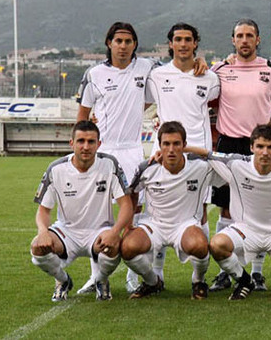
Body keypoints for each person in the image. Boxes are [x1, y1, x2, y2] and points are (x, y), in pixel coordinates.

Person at [75, 21, 208, 294]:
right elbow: (82, 116)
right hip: (104, 150)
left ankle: (139, 276)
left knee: (136, 216)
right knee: (99, 215)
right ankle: (97, 275)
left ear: (135, 44)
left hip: (133, 150)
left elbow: (179, 67)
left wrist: (201, 60)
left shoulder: (147, 68)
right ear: (109, 43)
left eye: (128, 41)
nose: (123, 46)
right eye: (118, 41)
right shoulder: (94, 74)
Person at [186, 123, 271, 301]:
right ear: (251, 147)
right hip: (246, 231)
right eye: (260, 146)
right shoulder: (235, 164)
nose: (265, 152)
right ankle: (244, 281)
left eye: (270, 147)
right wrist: (181, 148)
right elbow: (207, 154)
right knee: (217, 244)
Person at [209, 19, 271, 292]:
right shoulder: (219, 69)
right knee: (227, 207)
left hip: (261, 146)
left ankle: (256, 273)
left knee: (259, 208)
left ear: (258, 39)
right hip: (229, 145)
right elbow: (203, 101)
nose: (244, 40)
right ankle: (225, 271)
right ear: (233, 40)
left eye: (249, 35)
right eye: (239, 35)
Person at [146, 23, 220, 280]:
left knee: (200, 211)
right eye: (178, 39)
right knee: (158, 211)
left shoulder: (210, 77)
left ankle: (200, 277)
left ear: (195, 43)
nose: (183, 44)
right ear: (170, 44)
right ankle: (155, 275)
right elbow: (137, 102)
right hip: (163, 154)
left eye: (188, 39)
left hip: (198, 154)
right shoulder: (156, 75)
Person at [31, 121, 132, 301]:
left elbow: (126, 205)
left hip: (99, 231)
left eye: (91, 142)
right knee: (37, 248)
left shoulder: (110, 164)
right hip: (67, 232)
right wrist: (43, 231)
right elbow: (43, 211)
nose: (86, 146)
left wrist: (115, 231)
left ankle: (100, 280)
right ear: (72, 143)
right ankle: (62, 280)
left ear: (99, 144)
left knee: (114, 244)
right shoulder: (56, 169)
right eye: (81, 141)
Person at [120, 121, 221, 300]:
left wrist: (196, 150)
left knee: (199, 245)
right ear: (159, 146)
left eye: (176, 144)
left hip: (185, 224)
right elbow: (132, 193)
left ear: (184, 145)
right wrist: (129, 225)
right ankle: (152, 282)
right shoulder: (147, 168)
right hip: (154, 225)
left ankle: (198, 281)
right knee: (127, 247)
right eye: (166, 144)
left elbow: (225, 160)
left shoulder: (201, 166)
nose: (171, 149)